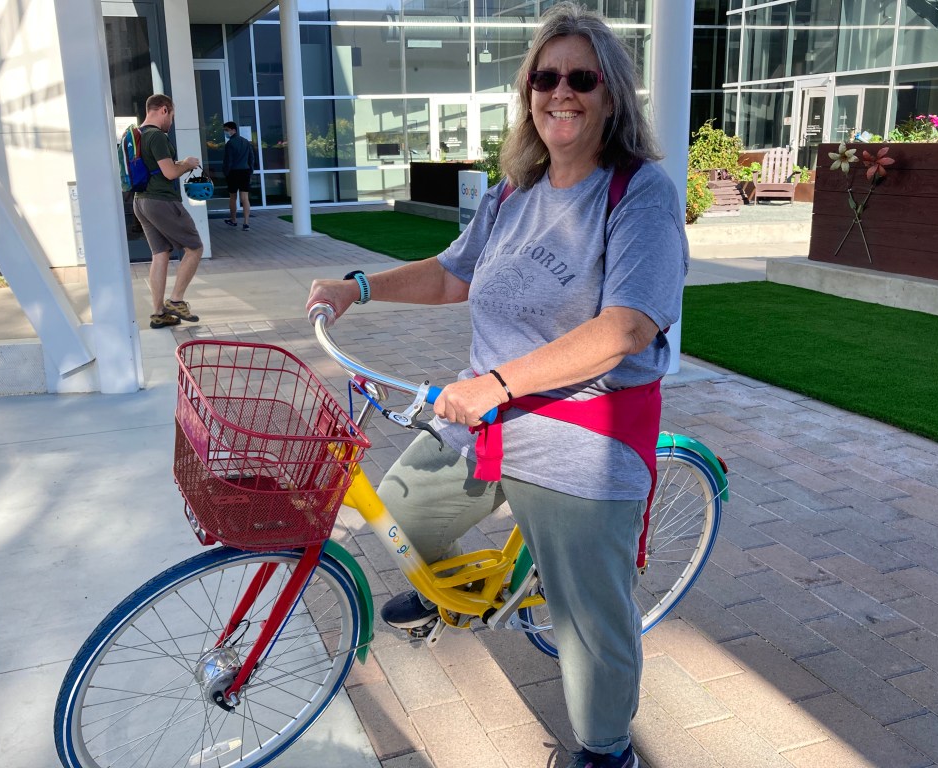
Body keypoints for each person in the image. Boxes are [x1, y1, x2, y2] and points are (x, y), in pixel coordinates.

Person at [305, 3, 687, 767]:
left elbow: (626, 329)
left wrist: (499, 383)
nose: (561, 92)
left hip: (583, 433)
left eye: (582, 77)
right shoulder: (515, 191)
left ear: (611, 93)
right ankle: (461, 591)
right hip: (486, 419)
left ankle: (607, 750)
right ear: (528, 94)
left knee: (590, 623)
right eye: (546, 77)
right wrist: (359, 286)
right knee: (402, 523)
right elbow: (455, 273)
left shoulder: (638, 193)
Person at [132, 93, 204, 329]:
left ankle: (158, 313)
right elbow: (170, 173)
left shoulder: (136, 135)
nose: (171, 122)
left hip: (140, 201)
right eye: (171, 115)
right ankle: (176, 300)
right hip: (161, 201)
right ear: (164, 110)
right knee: (194, 248)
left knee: (160, 255)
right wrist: (187, 164)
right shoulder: (156, 136)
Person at [222, 121, 255, 230]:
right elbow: (251, 158)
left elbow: (228, 161)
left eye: (227, 130)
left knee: (233, 197)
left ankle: (233, 219)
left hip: (233, 172)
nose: (226, 132)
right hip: (245, 171)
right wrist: (250, 170)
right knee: (245, 197)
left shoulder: (230, 144)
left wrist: (226, 173)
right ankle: (246, 223)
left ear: (233, 130)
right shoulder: (246, 142)